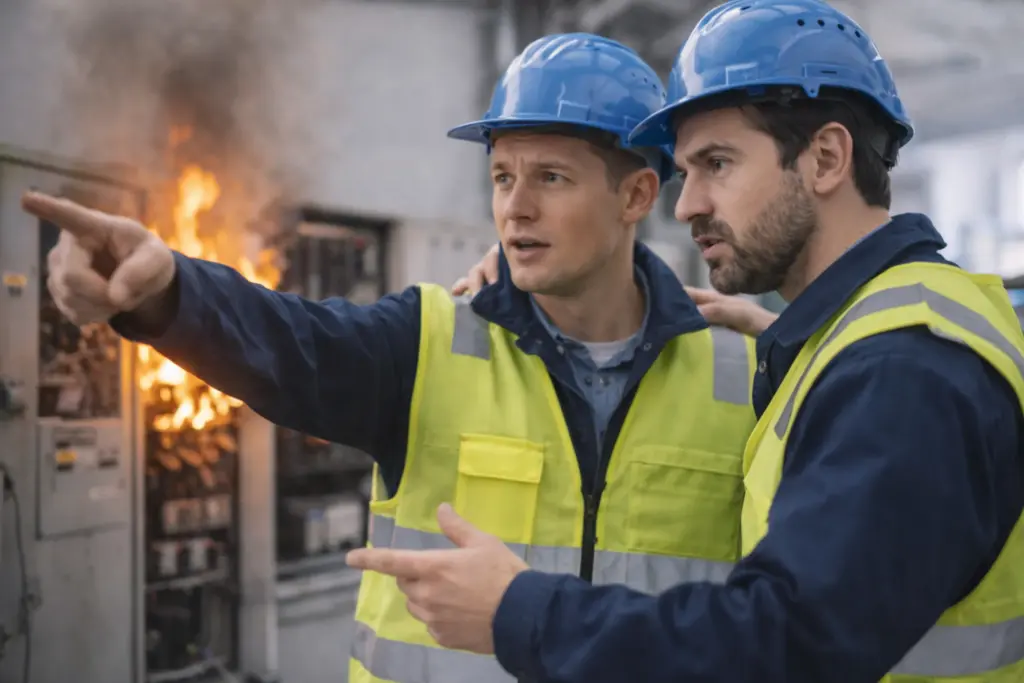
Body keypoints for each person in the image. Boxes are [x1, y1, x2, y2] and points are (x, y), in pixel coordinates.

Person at [26, 33, 762, 683]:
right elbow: (290, 340)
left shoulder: (749, 375)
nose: (515, 208)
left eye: (552, 177)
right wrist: (165, 291)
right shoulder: (427, 342)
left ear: (636, 194)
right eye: (503, 176)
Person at [346, 2, 1024, 682]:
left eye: (716, 164)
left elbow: (783, 643)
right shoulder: (882, 339)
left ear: (825, 157)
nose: (686, 203)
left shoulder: (901, 369)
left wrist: (519, 610)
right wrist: (810, 351)